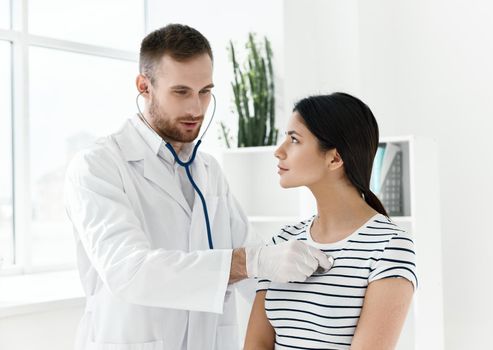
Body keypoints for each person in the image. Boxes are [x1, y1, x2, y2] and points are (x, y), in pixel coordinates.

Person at [64, 24, 331, 350]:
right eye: (181, 92)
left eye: (205, 91)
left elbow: (256, 273)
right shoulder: (98, 166)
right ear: (144, 87)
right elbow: (129, 272)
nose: (196, 108)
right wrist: (251, 261)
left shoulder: (208, 170)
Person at [244, 92, 418, 349]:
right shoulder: (282, 243)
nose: (279, 152)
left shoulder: (389, 247)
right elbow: (255, 345)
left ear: (335, 158)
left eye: (294, 139)